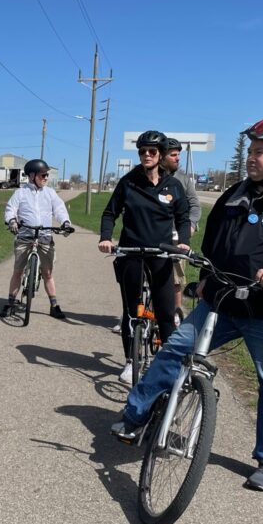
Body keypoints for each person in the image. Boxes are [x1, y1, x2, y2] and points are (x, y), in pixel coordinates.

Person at [111, 117, 263, 492]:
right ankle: (135, 415)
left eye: (259, 152)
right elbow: (216, 243)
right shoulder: (235, 194)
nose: (251, 158)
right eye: (250, 151)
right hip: (222, 303)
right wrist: (205, 280)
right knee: (174, 350)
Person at [98, 130, 191, 383]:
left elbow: (183, 218)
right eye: (142, 152)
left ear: (160, 155)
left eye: (151, 151)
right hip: (131, 253)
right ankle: (131, 360)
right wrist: (106, 238)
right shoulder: (129, 182)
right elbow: (110, 213)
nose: (146, 155)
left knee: (165, 311)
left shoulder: (173, 185)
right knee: (132, 311)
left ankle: (168, 364)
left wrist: (183, 242)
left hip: (161, 254)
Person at [1, 158, 72, 320]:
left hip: (45, 236)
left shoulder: (50, 193)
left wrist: (65, 223)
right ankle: (11, 303)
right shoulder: (20, 193)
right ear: (32, 176)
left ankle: (54, 305)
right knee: (18, 271)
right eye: (43, 175)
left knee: (47, 273)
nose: (46, 178)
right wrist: (12, 220)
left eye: (47, 175)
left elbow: (59, 209)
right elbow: (10, 209)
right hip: (25, 236)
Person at [162, 137, 202, 310]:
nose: (178, 158)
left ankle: (176, 314)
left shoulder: (184, 179)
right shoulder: (149, 176)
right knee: (141, 277)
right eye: (173, 155)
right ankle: (132, 315)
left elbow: (195, 205)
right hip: (150, 235)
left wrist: (191, 224)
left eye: (178, 155)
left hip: (176, 237)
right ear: (161, 156)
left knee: (176, 279)